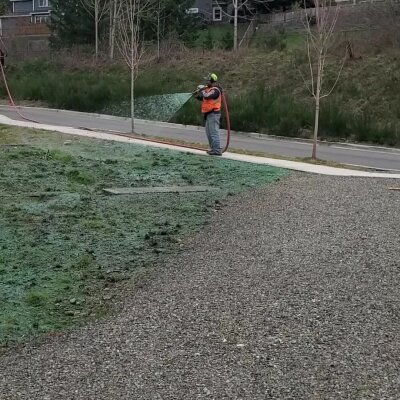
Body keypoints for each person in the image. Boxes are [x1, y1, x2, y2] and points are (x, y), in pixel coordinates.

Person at [194, 73, 222, 156]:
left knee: (213, 132)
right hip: (208, 114)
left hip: (214, 114)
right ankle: (213, 149)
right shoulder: (209, 89)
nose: (206, 81)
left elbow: (206, 96)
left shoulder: (215, 90)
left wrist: (202, 90)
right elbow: (204, 99)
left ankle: (216, 150)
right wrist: (196, 96)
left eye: (207, 80)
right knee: (208, 133)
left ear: (212, 81)